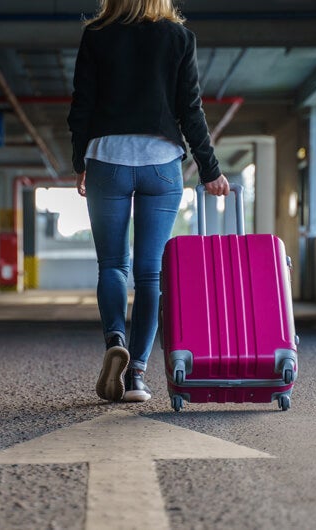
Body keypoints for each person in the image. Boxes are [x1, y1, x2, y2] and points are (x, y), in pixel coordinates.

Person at [68, 0, 229, 403]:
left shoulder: (97, 35)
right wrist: (210, 170)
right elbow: (190, 110)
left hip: (106, 159)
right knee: (150, 274)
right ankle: (137, 375)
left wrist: (79, 161)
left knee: (112, 264)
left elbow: (81, 106)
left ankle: (114, 342)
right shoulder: (178, 38)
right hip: (160, 164)